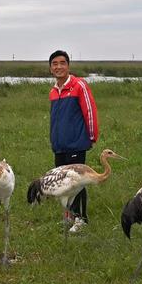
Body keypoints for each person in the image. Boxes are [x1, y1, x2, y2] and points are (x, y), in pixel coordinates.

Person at [48, 49, 99, 233]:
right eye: (55, 64)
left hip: (76, 143)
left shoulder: (79, 85)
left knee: (77, 182)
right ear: (50, 68)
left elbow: (90, 111)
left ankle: (81, 219)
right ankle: (69, 215)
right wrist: (53, 140)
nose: (59, 66)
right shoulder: (54, 91)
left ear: (68, 66)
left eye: (62, 63)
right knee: (62, 182)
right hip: (59, 146)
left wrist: (92, 136)